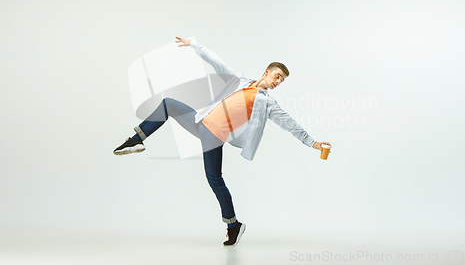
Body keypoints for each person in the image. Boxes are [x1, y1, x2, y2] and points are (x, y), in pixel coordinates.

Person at [113, 36, 331, 246]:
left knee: (215, 180)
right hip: (199, 122)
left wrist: (312, 142)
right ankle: (136, 140)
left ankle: (233, 225)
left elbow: (289, 123)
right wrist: (194, 45)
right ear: (267, 72)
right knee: (168, 103)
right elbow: (218, 62)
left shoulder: (267, 103)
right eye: (277, 76)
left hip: (214, 137)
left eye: (281, 80)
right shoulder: (240, 81)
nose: (278, 82)